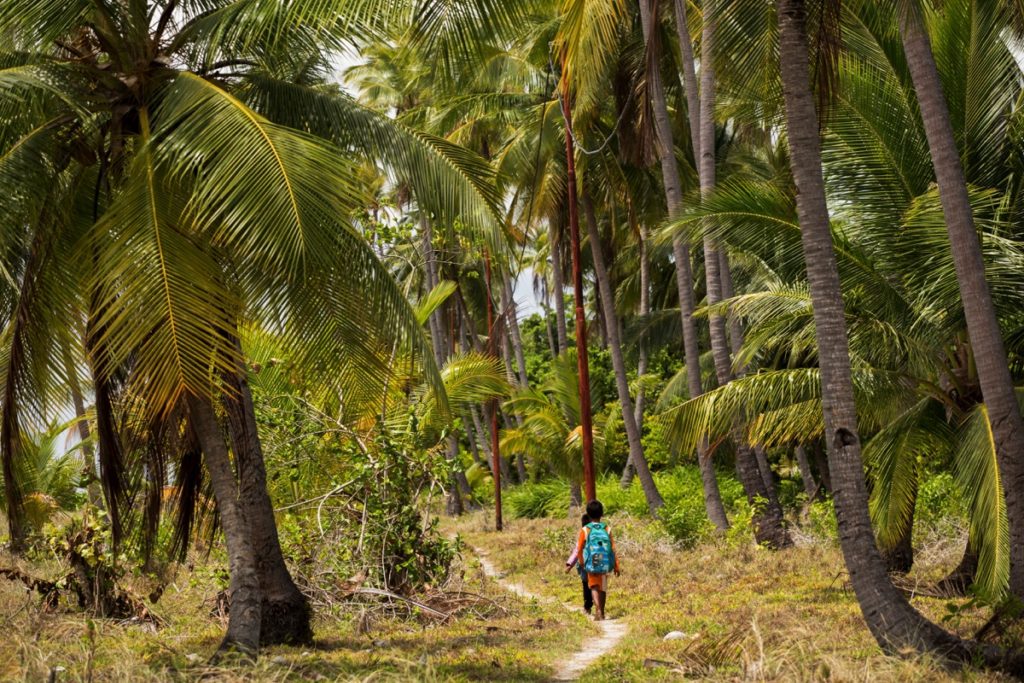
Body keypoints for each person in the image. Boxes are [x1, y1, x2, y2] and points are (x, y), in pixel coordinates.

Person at [571, 500, 619, 620]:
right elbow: (613, 548)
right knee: (602, 588)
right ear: (601, 513)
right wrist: (616, 565)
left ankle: (597, 609)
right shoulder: (607, 528)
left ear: (588, 513)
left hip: (592, 562)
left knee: (593, 586)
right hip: (605, 562)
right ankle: (602, 611)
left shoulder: (585, 530)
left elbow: (580, 547)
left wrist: (582, 562)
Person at [564, 513, 594, 614]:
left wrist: (569, 565)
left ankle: (587, 607)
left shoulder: (583, 535)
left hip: (584, 566)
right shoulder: (597, 535)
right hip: (595, 565)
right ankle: (595, 606)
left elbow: (576, 551)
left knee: (586, 586)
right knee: (595, 586)